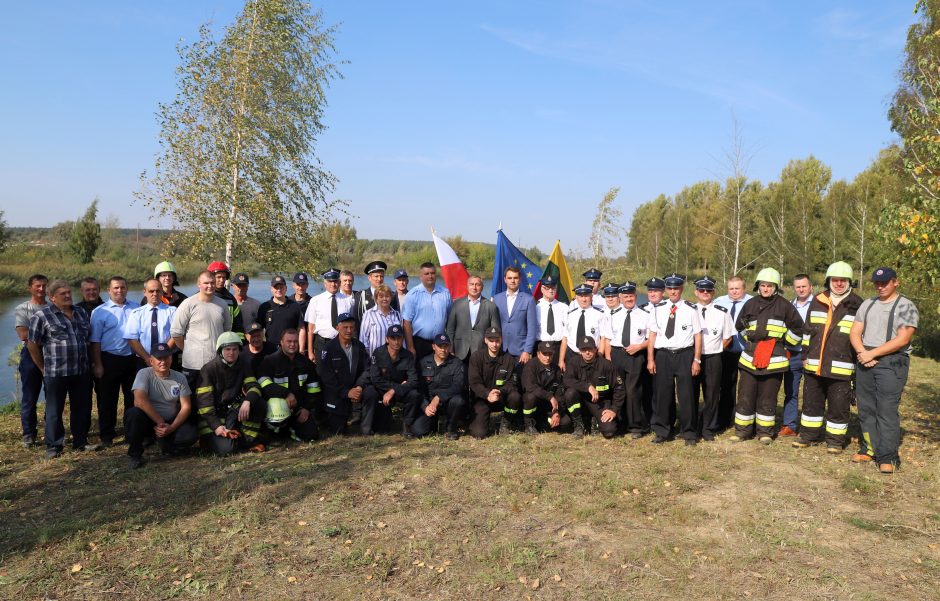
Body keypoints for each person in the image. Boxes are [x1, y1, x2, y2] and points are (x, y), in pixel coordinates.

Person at [849, 267, 919, 474]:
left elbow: (903, 339)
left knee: (886, 409)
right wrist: (863, 352)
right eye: (877, 283)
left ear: (895, 282)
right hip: (866, 358)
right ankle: (869, 449)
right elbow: (855, 332)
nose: (880, 286)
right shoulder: (867, 304)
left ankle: (887, 456)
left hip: (892, 361)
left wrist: (873, 354)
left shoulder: (906, 306)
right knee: (866, 407)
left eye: (885, 283)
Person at [792, 262, 863, 454]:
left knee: (838, 405)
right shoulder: (817, 300)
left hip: (841, 365)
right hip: (814, 364)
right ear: (829, 281)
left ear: (850, 282)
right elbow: (808, 331)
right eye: (835, 280)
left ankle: (835, 441)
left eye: (843, 281)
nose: (839, 284)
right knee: (811, 402)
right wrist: (805, 356)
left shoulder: (858, 304)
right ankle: (808, 436)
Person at [730, 268, 803, 444]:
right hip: (750, 356)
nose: (766, 289)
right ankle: (742, 431)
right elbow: (740, 326)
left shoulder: (785, 306)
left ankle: (765, 432)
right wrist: (751, 339)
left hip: (774, 357)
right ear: (758, 286)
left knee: (767, 396)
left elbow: (799, 329)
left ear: (775, 287)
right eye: (762, 285)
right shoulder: (750, 304)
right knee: (746, 395)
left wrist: (784, 341)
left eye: (769, 286)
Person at [26, 279, 96, 458]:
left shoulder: (81, 313)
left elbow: (88, 339)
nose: (67, 296)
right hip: (56, 372)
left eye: (69, 293)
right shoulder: (41, 316)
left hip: (81, 370)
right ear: (52, 297)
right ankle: (54, 446)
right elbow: (32, 344)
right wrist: (42, 367)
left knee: (82, 408)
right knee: (54, 410)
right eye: (62, 294)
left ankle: (80, 442)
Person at [646, 273, 703, 445]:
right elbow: (653, 335)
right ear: (666, 290)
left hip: (685, 354)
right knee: (663, 395)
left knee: (687, 396)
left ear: (681, 289)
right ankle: (663, 431)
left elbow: (698, 336)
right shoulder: (657, 309)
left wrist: (697, 360)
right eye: (670, 288)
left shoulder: (691, 308)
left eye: (676, 288)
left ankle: (689, 433)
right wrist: (650, 359)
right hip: (663, 355)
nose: (673, 291)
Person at [124, 343, 198, 468]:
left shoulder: (180, 377)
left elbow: (186, 407)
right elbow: (139, 401)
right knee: (133, 414)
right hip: (150, 421)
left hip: (170, 422)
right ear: (151, 361)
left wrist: (172, 427)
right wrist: (159, 421)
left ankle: (166, 444)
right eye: (159, 359)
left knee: (191, 434)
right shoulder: (143, 373)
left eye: (166, 357)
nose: (163, 362)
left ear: (171, 358)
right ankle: (135, 455)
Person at [195, 332, 266, 455]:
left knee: (259, 403)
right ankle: (207, 441)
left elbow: (253, 386)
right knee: (228, 450)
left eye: (234, 349)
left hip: (231, 412)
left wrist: (248, 401)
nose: (231, 353)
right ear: (220, 351)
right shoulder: (208, 370)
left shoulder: (243, 364)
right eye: (227, 349)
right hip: (212, 418)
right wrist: (216, 426)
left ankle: (248, 441)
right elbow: (204, 405)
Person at [89, 276, 140, 446]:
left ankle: (130, 432)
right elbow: (95, 341)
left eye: (123, 287)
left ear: (127, 289)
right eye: (116, 288)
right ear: (109, 290)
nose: (120, 291)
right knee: (107, 400)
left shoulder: (136, 308)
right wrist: (98, 364)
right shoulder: (100, 312)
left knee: (132, 398)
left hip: (131, 359)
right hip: (109, 359)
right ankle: (106, 435)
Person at [601, 281, 650, 438]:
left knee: (633, 390)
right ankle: (620, 423)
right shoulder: (613, 315)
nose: (629, 298)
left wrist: (640, 347)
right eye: (625, 296)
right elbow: (608, 338)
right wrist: (608, 358)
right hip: (617, 354)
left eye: (631, 296)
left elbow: (651, 339)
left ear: (636, 296)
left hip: (636, 355)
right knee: (619, 389)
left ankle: (636, 426)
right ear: (620, 297)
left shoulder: (645, 315)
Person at [170, 271, 233, 390]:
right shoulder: (188, 304)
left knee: (214, 398)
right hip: (192, 364)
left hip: (216, 362)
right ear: (198, 284)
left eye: (212, 283)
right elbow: (176, 333)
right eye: (206, 283)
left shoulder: (222, 304)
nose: (210, 286)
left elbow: (227, 330)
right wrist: (187, 349)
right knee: (193, 400)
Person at [256, 329, 321, 442]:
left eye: (295, 341)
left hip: (299, 409)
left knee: (312, 435)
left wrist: (306, 408)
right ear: (281, 342)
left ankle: (290, 430)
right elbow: (264, 384)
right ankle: (279, 430)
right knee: (272, 438)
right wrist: (286, 394)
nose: (292, 344)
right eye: (289, 341)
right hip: (277, 409)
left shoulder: (306, 363)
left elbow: (314, 389)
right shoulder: (270, 361)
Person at [359, 324, 421, 436]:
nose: (396, 342)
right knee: (369, 392)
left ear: (403, 339)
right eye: (393, 338)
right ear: (387, 339)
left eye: (399, 338)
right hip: (381, 389)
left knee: (414, 394)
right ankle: (366, 428)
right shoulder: (378, 353)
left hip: (399, 391)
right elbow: (375, 378)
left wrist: (393, 390)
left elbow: (414, 381)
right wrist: (395, 387)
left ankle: (407, 427)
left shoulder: (408, 356)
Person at [693, 276, 734, 441]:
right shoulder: (688, 310)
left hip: (713, 358)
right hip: (691, 358)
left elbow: (728, 337)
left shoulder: (722, 312)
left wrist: (716, 349)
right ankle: (692, 427)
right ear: (696, 292)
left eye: (708, 290)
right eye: (702, 290)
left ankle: (708, 428)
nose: (705, 293)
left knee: (711, 394)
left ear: (713, 292)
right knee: (691, 393)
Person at [563, 335, 624, 439]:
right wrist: (587, 387)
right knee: (570, 393)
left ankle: (594, 420)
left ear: (596, 349)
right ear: (579, 351)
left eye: (590, 349)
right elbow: (567, 380)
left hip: (600, 403)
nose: (587, 352)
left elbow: (619, 388)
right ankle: (579, 426)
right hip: (581, 400)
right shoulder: (573, 362)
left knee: (609, 431)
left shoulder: (607, 365)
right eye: (584, 349)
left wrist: (614, 410)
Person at [319, 313, 370, 436]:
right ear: (337, 328)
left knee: (372, 394)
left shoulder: (359, 346)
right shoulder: (328, 348)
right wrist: (346, 392)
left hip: (356, 391)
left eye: (351, 328)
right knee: (338, 432)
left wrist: (359, 387)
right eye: (345, 327)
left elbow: (367, 370)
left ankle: (365, 422)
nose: (349, 331)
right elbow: (326, 377)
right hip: (337, 394)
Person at [714, 275, 752, 432]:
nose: (734, 291)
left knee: (747, 387)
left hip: (746, 350)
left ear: (744, 288)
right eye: (731, 288)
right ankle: (725, 419)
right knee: (726, 385)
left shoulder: (752, 302)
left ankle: (746, 420)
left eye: (737, 288)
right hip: (726, 350)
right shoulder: (719, 302)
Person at [467, 326, 521, 438]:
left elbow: (512, 383)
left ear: (501, 340)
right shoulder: (476, 357)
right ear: (485, 340)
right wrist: (487, 394)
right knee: (479, 434)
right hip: (482, 398)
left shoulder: (508, 359)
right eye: (491, 341)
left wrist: (500, 391)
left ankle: (506, 422)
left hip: (501, 397)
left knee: (515, 396)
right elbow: (474, 383)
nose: (494, 344)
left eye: (497, 341)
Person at [14, 274, 48, 447]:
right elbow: (24, 334)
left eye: (44, 286)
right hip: (30, 355)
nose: (41, 289)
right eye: (37, 286)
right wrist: (50, 334)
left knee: (53, 396)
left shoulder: (53, 306)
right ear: (30, 288)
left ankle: (52, 431)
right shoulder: (23, 309)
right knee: (29, 396)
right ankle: (29, 434)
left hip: (52, 355)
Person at [413, 333, 466, 440]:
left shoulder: (456, 363)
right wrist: (425, 407)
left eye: (446, 346)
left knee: (458, 400)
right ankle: (432, 423)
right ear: (433, 346)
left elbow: (458, 386)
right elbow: (418, 388)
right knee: (419, 431)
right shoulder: (423, 362)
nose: (443, 349)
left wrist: (438, 397)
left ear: (449, 347)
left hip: (447, 403)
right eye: (440, 346)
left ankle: (451, 428)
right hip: (429, 404)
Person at [781, 274, 813, 437]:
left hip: (813, 355)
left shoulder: (819, 305)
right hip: (793, 354)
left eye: (804, 286)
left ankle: (810, 427)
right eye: (798, 287)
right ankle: (790, 425)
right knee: (791, 391)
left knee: (812, 393)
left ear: (811, 287)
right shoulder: (788, 305)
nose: (801, 289)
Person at [124, 277, 177, 371]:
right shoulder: (137, 313)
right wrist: (148, 359)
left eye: (158, 291)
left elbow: (175, 335)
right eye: (151, 291)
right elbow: (132, 339)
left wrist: (162, 354)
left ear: (162, 292)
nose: (155, 294)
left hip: (166, 360)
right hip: (143, 361)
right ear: (144, 292)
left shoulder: (172, 311)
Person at [446, 275, 500, 365]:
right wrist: (450, 349)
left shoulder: (491, 306)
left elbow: (495, 332)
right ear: (467, 286)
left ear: (482, 287)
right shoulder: (457, 304)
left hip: (482, 351)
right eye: (471, 284)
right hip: (460, 350)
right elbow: (450, 330)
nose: (474, 287)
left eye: (477, 284)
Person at [402, 262, 452, 360]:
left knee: (440, 373)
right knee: (420, 373)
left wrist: (450, 345)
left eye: (432, 273)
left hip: (440, 343)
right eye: (427, 273)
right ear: (420, 276)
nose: (430, 276)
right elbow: (406, 323)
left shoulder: (445, 293)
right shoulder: (412, 295)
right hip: (419, 344)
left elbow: (450, 320)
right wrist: (410, 347)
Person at [492, 266, 539, 369]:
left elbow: (532, 328)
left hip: (520, 351)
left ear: (520, 279)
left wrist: (527, 350)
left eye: (515, 278)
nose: (512, 281)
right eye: (509, 278)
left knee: (520, 382)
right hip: (501, 349)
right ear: (505, 279)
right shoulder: (496, 299)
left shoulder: (529, 300)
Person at [304, 268, 354, 363]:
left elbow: (351, 325)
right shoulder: (316, 300)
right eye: (330, 281)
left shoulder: (348, 301)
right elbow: (310, 329)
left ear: (339, 282)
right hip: (322, 343)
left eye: (335, 281)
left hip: (342, 343)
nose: (333, 284)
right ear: (325, 283)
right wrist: (310, 352)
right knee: (321, 373)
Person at [521, 341, 566, 435]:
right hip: (534, 403)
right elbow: (530, 387)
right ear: (538, 354)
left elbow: (559, 392)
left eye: (550, 354)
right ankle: (528, 423)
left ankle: (543, 423)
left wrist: (557, 412)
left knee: (566, 423)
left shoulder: (556, 369)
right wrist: (549, 397)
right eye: (544, 354)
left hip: (548, 406)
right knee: (530, 397)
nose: (547, 357)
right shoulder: (530, 366)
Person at [560, 284, 604, 371]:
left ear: (591, 296)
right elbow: (565, 339)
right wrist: (561, 360)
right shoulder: (570, 314)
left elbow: (603, 338)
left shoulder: (599, 314)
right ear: (576, 297)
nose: (584, 299)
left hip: (591, 356)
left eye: (586, 296)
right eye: (581, 296)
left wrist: (599, 356)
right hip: (572, 355)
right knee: (571, 382)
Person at [258, 275, 306, 350]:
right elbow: (259, 330)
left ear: (286, 288)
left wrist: (301, 350)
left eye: (281, 287)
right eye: (276, 287)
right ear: (271, 289)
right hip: (269, 348)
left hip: (290, 348)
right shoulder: (264, 307)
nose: (279, 290)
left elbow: (301, 329)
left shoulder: (295, 306)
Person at [359, 284, 403, 357]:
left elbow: (402, 338)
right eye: (381, 296)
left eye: (387, 296)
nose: (384, 299)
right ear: (376, 299)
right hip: (376, 359)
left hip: (395, 359)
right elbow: (363, 339)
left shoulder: (397, 314)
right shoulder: (369, 314)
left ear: (391, 298)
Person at [353, 260, 400, 324]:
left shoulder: (392, 295)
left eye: (381, 276)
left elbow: (396, 317)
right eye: (376, 276)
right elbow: (356, 320)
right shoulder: (360, 296)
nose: (379, 279)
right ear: (369, 278)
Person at [535, 275, 567, 366]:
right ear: (542, 289)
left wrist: (561, 359)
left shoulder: (564, 307)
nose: (551, 290)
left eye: (553, 287)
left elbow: (566, 333)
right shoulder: (535, 306)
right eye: (547, 288)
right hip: (540, 346)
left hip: (557, 347)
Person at [207, 261, 245, 338]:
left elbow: (238, 325)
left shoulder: (230, 299)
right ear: (210, 277)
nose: (222, 280)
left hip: (226, 343)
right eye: (218, 277)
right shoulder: (201, 297)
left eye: (224, 277)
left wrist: (239, 343)